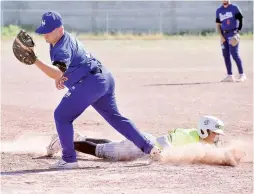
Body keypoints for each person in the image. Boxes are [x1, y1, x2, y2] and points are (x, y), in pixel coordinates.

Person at [33, 11, 161, 169]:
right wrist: (60, 77)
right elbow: (69, 67)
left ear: (60, 29)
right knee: (116, 118)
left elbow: (58, 71)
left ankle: (69, 159)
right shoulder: (62, 40)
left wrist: (35, 61)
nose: (45, 34)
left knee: (62, 116)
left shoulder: (62, 47)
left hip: (91, 83)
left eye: (49, 30)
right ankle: (151, 149)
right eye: (44, 30)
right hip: (103, 78)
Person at [47, 116, 231, 163]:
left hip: (144, 144)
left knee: (111, 145)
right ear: (204, 131)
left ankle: (79, 138)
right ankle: (64, 142)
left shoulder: (195, 136)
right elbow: (164, 139)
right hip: (143, 147)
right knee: (101, 152)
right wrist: (162, 153)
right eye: (215, 133)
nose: (216, 138)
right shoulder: (190, 136)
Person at [215, 0, 246, 82]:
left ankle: (242, 74)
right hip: (224, 35)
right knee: (225, 55)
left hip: (232, 33)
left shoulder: (234, 8)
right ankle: (230, 75)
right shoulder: (219, 10)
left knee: (234, 54)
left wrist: (237, 32)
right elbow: (218, 24)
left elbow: (241, 19)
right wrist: (221, 36)